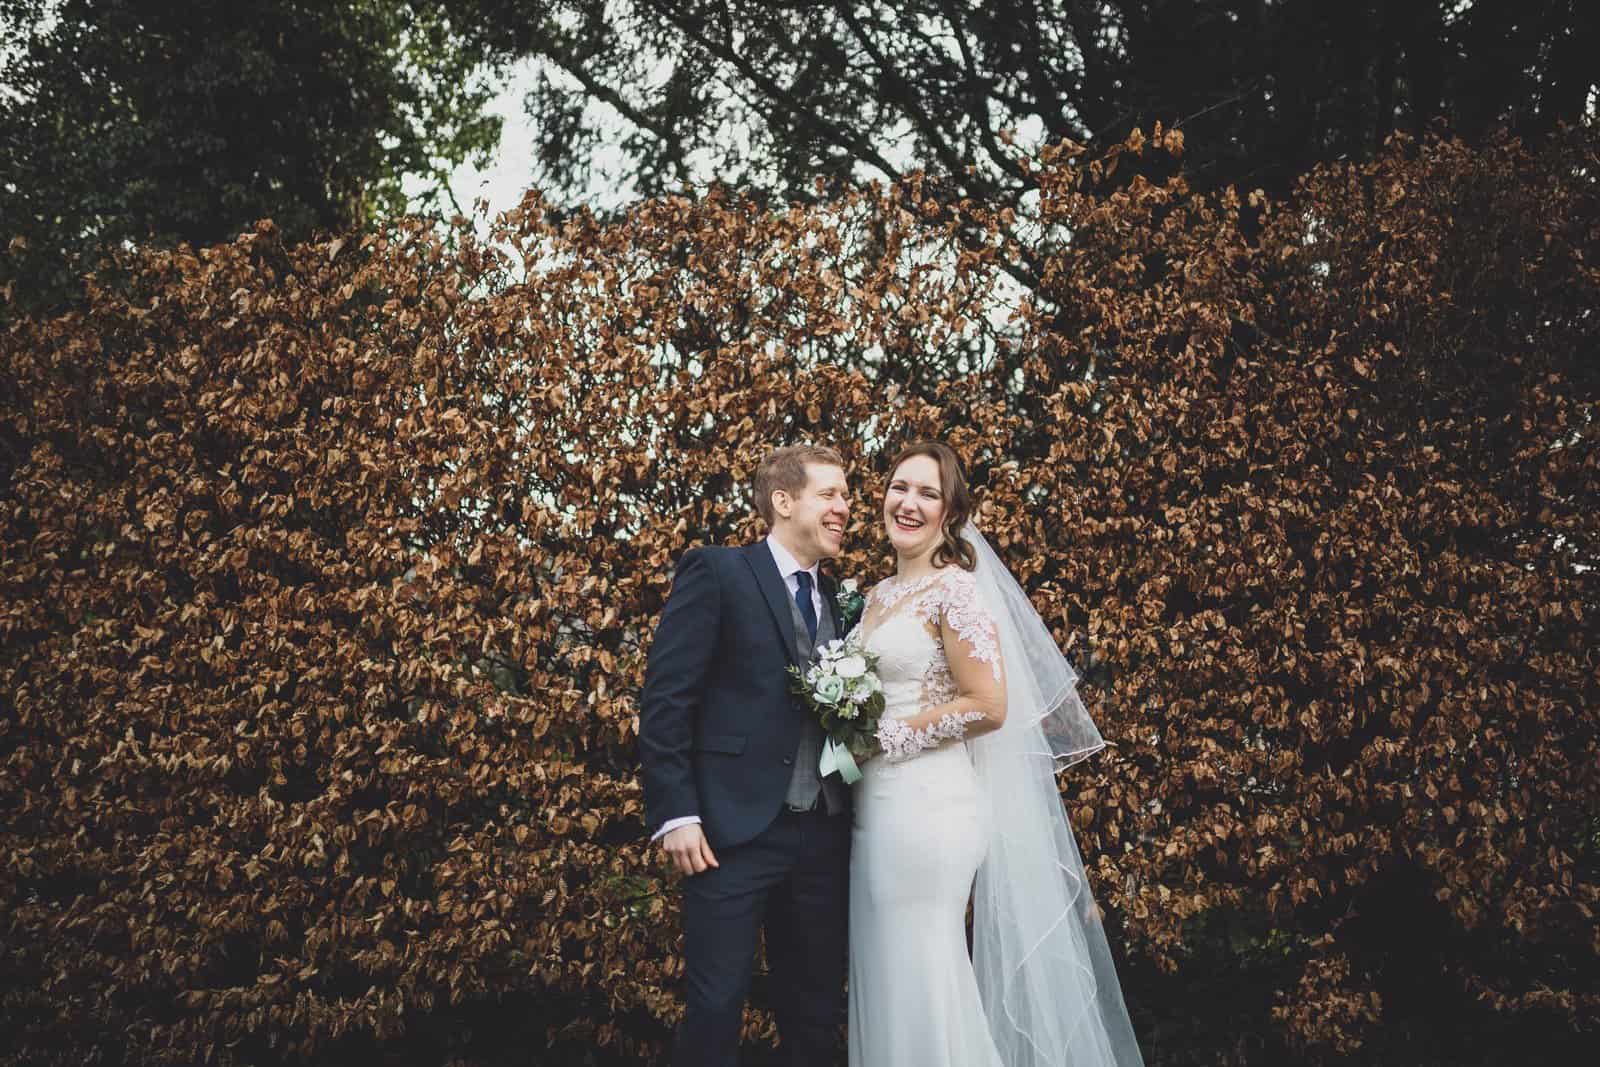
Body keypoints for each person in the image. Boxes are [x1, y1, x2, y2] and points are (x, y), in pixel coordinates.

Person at [847, 440, 1145, 1067]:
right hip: (873, 808)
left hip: (928, 809)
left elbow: (988, 704)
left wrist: (884, 738)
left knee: (923, 970)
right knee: (885, 972)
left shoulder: (955, 592)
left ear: (951, 513)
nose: (908, 503)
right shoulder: (875, 596)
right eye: (900, 487)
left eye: (928, 493)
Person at [638, 443, 854, 1067]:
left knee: (815, 1014)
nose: (844, 508)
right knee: (715, 1008)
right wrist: (677, 814)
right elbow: (666, 700)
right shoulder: (718, 571)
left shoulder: (842, 600)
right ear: (783, 501)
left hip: (824, 836)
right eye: (830, 494)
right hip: (730, 834)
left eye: (846, 497)